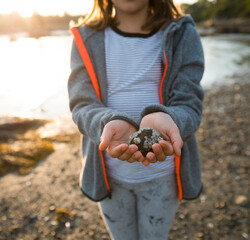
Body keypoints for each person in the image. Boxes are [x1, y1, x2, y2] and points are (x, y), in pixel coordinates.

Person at [68, 0, 204, 239]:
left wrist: (169, 117)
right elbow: (81, 105)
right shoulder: (86, 38)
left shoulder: (181, 33)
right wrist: (107, 122)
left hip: (163, 173)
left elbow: (190, 103)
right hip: (109, 175)